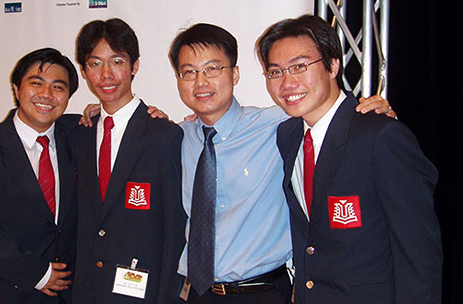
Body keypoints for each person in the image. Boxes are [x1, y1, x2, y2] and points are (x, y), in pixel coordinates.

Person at [168, 23, 394, 303]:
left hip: (261, 292)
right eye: (188, 72)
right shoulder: (176, 137)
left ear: (235, 74)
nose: (200, 82)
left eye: (212, 69)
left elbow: (327, 114)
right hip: (195, 293)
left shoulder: (279, 125)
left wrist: (367, 109)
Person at [256, 15, 442, 303]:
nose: (287, 82)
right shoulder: (288, 135)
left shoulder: (381, 136)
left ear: (332, 65)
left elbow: (418, 251)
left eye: (300, 66)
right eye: (276, 72)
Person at [70, 19, 186, 303]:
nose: (106, 74)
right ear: (84, 71)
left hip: (142, 292)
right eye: (95, 63)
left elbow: (175, 230)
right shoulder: (78, 133)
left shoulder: (164, 135)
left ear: (134, 66)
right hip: (88, 290)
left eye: (117, 61)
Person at [0, 48, 80, 303]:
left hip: (74, 293)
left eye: (58, 87)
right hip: (12, 293)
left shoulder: (79, 136)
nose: (47, 95)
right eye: (36, 83)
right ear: (16, 88)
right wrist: (36, 273)